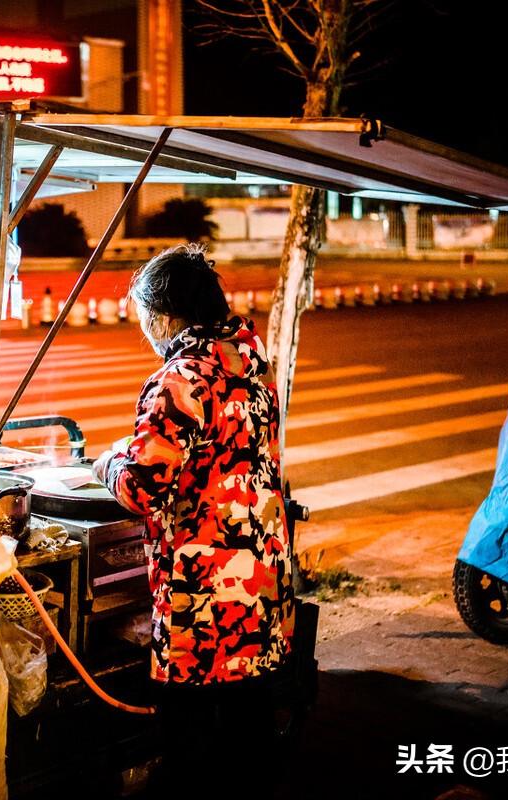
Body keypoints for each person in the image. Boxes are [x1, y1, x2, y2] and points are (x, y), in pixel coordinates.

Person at [92, 244, 296, 791]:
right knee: (250, 736)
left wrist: (107, 462)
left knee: (192, 744)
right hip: (262, 586)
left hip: (204, 602)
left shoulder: (179, 379)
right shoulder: (251, 363)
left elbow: (141, 487)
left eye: (143, 318)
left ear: (162, 315)